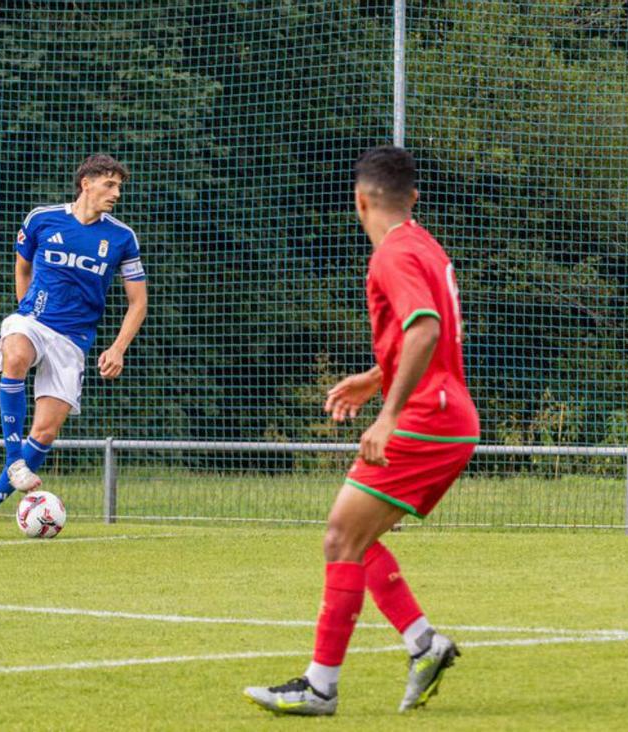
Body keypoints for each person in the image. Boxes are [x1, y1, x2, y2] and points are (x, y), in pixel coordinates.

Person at [243, 146, 479, 716]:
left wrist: (389, 413)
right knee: (356, 538)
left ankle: (320, 687)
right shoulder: (425, 245)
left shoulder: (391, 255)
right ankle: (423, 642)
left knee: (339, 538)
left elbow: (425, 331)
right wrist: (377, 377)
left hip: (424, 419)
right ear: (412, 198)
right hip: (450, 415)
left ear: (360, 201)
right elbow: (439, 330)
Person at [0, 154, 148, 539]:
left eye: (119, 186)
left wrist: (118, 348)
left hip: (73, 340)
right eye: (109, 184)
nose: (116, 193)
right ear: (86, 183)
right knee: (15, 354)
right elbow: (22, 267)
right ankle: (15, 461)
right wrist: (25, 312)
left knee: (45, 433)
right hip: (33, 320)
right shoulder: (41, 219)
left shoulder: (122, 237)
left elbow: (138, 302)